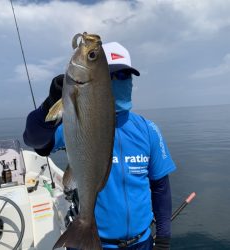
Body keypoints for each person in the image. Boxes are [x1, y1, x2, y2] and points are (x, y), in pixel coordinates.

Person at [23, 41, 176, 250]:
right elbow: (35, 139)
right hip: (96, 243)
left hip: (142, 242)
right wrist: (50, 102)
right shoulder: (76, 122)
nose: (118, 81)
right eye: (111, 75)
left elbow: (160, 188)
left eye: (124, 76)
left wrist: (164, 236)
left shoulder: (148, 130)